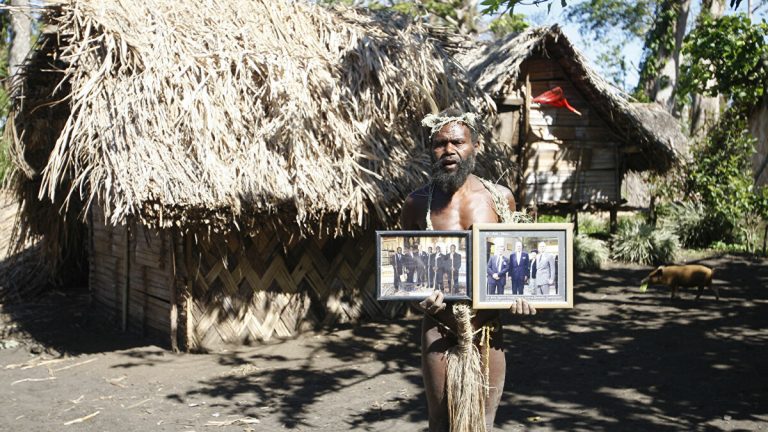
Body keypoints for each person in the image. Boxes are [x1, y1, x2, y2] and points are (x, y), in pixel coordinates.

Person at [400, 108, 536, 431]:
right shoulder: (417, 204)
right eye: (439, 144)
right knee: (440, 422)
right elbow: (405, 282)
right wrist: (418, 301)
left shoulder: (500, 200)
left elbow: (518, 267)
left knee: (483, 424)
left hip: (487, 331)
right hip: (439, 328)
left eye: (457, 142)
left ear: (476, 145)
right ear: (430, 150)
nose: (448, 150)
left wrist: (523, 297)